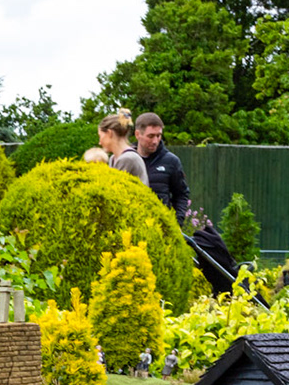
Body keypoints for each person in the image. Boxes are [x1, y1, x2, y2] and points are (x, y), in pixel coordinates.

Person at [135, 110, 240, 292]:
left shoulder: (170, 161)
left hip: (162, 231)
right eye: (151, 136)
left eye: (159, 135)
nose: (155, 140)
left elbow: (182, 194)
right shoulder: (128, 159)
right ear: (138, 134)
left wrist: (176, 222)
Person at [98, 112, 147, 183]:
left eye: (100, 136)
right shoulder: (113, 158)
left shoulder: (127, 158)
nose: (99, 142)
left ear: (109, 133)